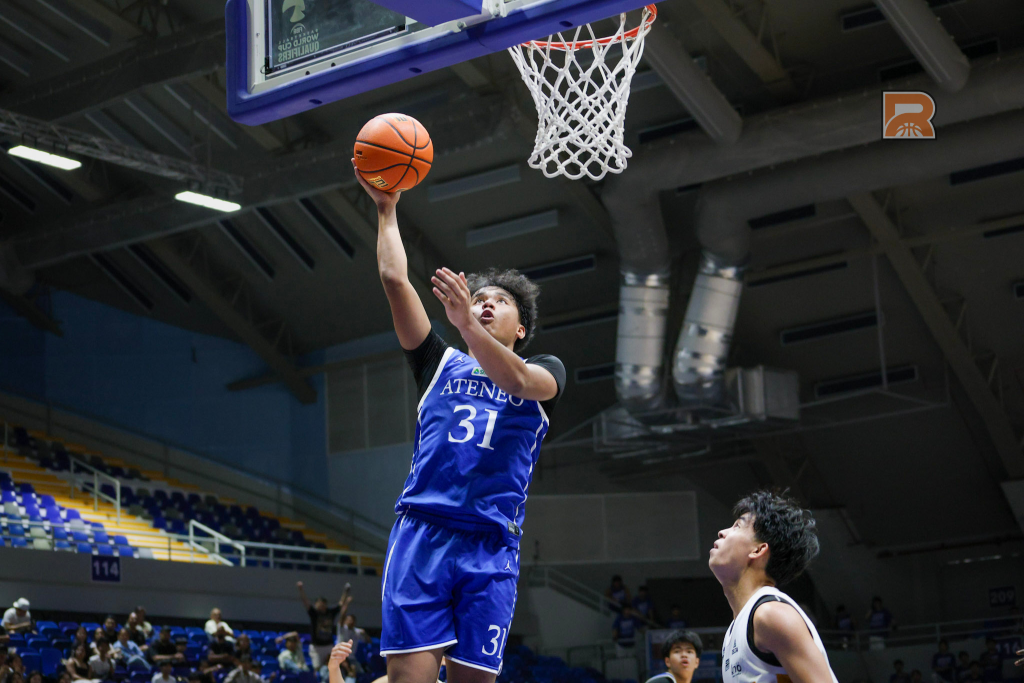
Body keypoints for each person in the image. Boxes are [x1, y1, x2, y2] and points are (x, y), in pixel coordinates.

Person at [355, 162, 566, 683]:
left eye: (502, 302)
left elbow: (515, 383)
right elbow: (392, 278)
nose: (487, 305)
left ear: (521, 329)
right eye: (480, 299)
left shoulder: (545, 373)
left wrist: (467, 323)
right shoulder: (438, 364)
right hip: (423, 532)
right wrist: (387, 209)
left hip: (490, 545)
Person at [709, 490, 838, 682]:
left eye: (737, 526)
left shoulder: (771, 615)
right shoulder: (735, 630)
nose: (722, 532)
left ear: (758, 550)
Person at [297, 581, 348, 671]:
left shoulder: (330, 613)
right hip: (316, 647)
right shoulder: (315, 614)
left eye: (322, 603)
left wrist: (346, 592)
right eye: (318, 603)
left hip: (328, 645)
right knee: (317, 668)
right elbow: (306, 602)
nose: (320, 605)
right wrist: (301, 589)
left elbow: (340, 603)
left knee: (332, 668)